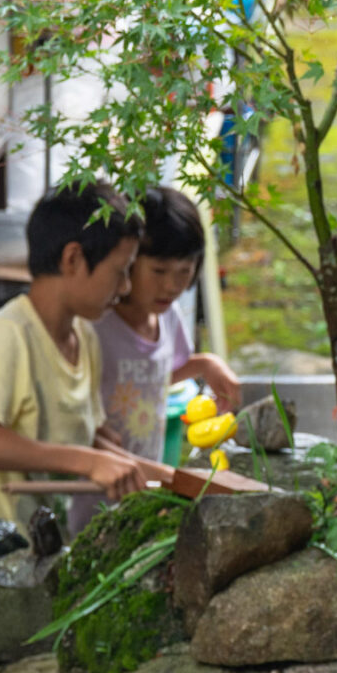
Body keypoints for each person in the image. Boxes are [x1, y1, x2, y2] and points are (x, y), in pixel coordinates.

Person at [0, 181, 156, 616]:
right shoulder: (5, 335)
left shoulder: (85, 336)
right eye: (120, 270)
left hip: (19, 566)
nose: (124, 288)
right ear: (73, 259)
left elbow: (90, 435)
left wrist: (129, 467)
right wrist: (87, 462)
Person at [94, 186, 242, 464]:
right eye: (158, 271)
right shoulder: (98, 327)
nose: (172, 286)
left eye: (184, 272)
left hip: (147, 475)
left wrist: (204, 364)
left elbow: (155, 374)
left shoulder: (167, 316)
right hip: (93, 489)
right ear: (127, 262)